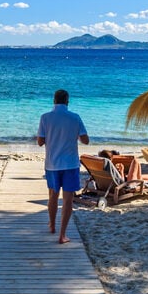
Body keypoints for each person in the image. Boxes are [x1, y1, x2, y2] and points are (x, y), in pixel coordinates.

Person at [36, 89, 89, 244]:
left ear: (54, 100)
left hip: (52, 163)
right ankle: (62, 235)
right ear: (67, 101)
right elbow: (85, 140)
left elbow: (40, 142)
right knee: (68, 200)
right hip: (70, 164)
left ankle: (52, 225)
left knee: (52, 196)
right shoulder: (75, 117)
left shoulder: (45, 117)